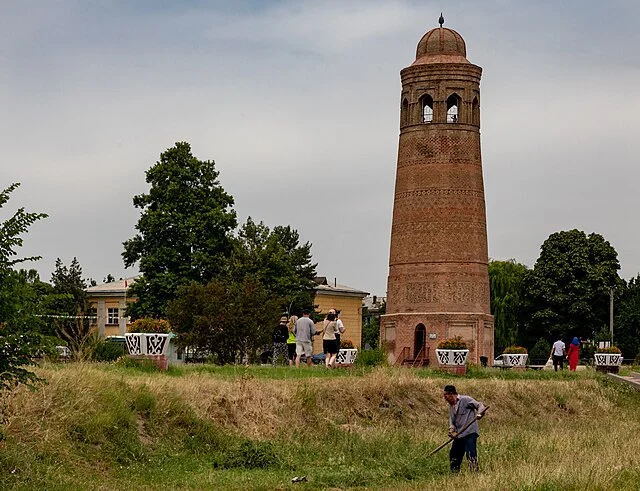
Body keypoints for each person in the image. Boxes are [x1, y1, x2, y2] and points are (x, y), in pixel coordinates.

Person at [443, 385, 486, 473]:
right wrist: (451, 430)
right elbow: (452, 421)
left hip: (470, 432)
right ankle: (455, 474)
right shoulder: (451, 406)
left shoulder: (465, 400)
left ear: (451, 394)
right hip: (460, 434)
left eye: (446, 397)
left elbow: (480, 405)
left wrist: (480, 413)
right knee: (454, 454)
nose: (445, 399)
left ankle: (475, 474)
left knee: (470, 454)